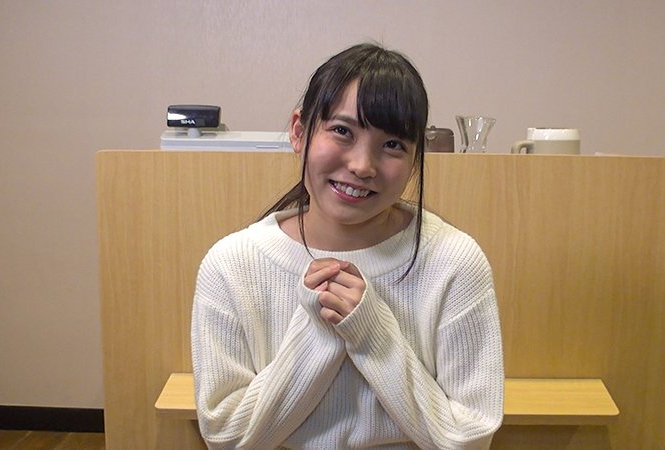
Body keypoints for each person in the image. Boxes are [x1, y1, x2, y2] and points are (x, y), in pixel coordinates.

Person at [191, 43, 504, 449]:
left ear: (415, 160)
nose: (362, 166)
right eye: (342, 131)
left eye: (393, 145)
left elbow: (470, 439)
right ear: (299, 131)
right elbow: (226, 437)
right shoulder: (231, 264)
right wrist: (318, 331)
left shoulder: (454, 262)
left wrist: (371, 332)